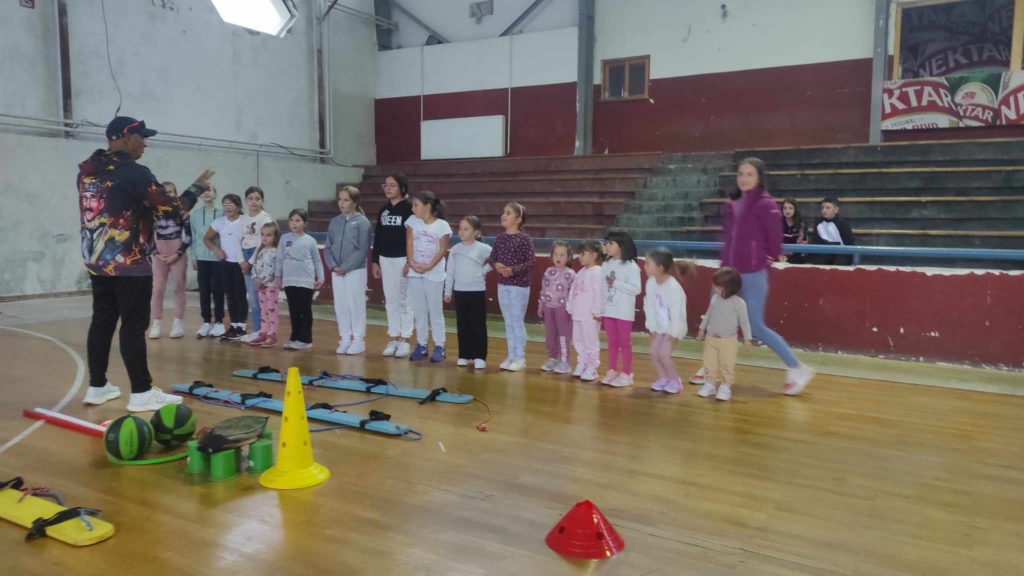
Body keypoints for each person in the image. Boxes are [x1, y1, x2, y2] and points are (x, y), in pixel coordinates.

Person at [79, 115, 210, 412]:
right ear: (126, 137)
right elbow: (171, 209)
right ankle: (141, 391)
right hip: (129, 262)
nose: (145, 144)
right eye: (142, 137)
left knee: (102, 321)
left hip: (98, 261)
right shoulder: (134, 172)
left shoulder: (88, 172)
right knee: (133, 326)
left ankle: (97, 386)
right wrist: (196, 189)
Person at [691, 158, 815, 395]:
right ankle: (711, 369)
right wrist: (723, 269)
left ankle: (797, 367)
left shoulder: (766, 205)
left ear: (759, 177)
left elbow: (775, 241)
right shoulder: (732, 203)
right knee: (716, 319)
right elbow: (729, 239)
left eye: (749, 174)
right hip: (727, 274)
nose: (744, 178)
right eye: (741, 173)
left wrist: (761, 260)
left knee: (755, 326)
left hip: (752, 274)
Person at [486, 202, 535, 372]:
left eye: (508, 213)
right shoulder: (500, 238)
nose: (503, 215)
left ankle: (520, 357)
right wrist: (497, 265)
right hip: (503, 285)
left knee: (516, 321)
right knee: (508, 322)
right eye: (503, 212)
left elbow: (530, 262)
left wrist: (512, 270)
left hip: (519, 286)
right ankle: (511, 355)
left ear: (518, 219)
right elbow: (492, 258)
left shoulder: (524, 239)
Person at [324, 186, 372, 355]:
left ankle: (358, 339)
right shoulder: (334, 222)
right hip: (336, 270)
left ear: (355, 202)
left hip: (355, 270)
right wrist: (333, 266)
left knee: (355, 304)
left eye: (346, 200)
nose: (342, 203)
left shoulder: (362, 222)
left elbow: (362, 249)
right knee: (341, 305)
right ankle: (345, 337)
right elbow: (328, 247)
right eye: (340, 199)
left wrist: (346, 267)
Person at [404, 191, 452, 362]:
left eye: (416, 205)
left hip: (434, 273)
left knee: (435, 310)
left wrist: (429, 266)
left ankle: (440, 345)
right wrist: (411, 262)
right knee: (419, 310)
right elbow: (409, 242)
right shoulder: (412, 221)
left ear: (428, 206)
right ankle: (422, 344)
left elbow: (442, 249)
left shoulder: (442, 226)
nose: (413, 208)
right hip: (415, 272)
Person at [371, 173, 415, 357]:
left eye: (392, 185)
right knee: (391, 299)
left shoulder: (410, 209)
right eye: (386, 185)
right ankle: (394, 336)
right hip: (385, 259)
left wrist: (410, 260)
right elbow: (378, 237)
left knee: (405, 300)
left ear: (402, 188)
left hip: (403, 260)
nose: (388, 188)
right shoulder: (383, 210)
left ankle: (405, 338)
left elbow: (412, 237)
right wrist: (375, 260)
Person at [147, 182, 198, 339]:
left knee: (178, 286)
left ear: (176, 194)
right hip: (160, 253)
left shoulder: (182, 212)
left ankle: (178, 322)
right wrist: (156, 253)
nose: (168, 194)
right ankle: (156, 323)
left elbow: (188, 236)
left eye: (171, 192)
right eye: (165, 192)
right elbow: (147, 235)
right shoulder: (154, 212)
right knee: (157, 288)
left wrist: (177, 253)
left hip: (177, 251)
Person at [696, 267, 753, 401]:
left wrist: (747, 338)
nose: (716, 290)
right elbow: (708, 314)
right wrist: (702, 328)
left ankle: (725, 386)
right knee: (709, 363)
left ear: (731, 288)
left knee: (727, 364)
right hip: (711, 338)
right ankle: (710, 384)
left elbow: (744, 322)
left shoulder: (739, 304)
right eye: (716, 287)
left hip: (728, 341)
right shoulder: (715, 299)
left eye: (719, 288)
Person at [444, 216, 492, 370]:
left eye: (466, 229)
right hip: (460, 292)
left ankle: (480, 356)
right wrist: (448, 290)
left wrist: (483, 271)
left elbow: (496, 258)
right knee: (462, 325)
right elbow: (450, 272)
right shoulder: (455, 250)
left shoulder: (483, 248)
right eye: (460, 229)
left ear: (476, 232)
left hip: (477, 291)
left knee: (478, 325)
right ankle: (464, 354)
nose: (462, 232)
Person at [643, 248, 692, 394]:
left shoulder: (673, 287)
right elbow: (649, 306)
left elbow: (678, 313)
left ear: (660, 267)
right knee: (654, 352)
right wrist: (651, 327)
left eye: (648, 263)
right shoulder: (651, 283)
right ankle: (664, 378)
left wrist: (674, 332)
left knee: (664, 354)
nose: (645, 266)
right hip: (659, 327)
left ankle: (675, 381)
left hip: (672, 328)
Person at [275, 209, 324, 350]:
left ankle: (306, 339)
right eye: (291, 220)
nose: (294, 223)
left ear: (305, 223)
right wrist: (278, 275)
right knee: (293, 309)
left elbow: (317, 261)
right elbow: (279, 258)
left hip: (305, 280)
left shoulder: (310, 241)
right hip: (289, 280)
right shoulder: (284, 239)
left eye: (297, 220)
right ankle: (294, 336)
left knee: (305, 309)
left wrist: (320, 277)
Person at [600, 229, 642, 388]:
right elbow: (602, 287)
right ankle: (611, 370)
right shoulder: (606, 264)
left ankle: (626, 374)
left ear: (622, 246)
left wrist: (616, 283)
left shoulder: (631, 266)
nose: (607, 246)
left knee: (625, 343)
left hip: (624, 312)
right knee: (612, 342)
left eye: (611, 243)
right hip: (608, 310)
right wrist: (600, 308)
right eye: (607, 243)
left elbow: (636, 289)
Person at [204, 194, 248, 340]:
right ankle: (233, 325)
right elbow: (206, 239)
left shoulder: (245, 220)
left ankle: (242, 326)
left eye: (231, 204)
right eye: (224, 204)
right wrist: (217, 250)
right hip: (226, 263)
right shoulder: (219, 222)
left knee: (240, 294)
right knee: (230, 295)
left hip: (241, 263)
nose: (227, 207)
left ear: (238, 207)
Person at [190, 183, 226, 337]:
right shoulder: (195, 215)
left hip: (218, 258)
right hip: (201, 258)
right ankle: (206, 322)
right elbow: (193, 237)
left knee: (218, 290)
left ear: (215, 193)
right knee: (204, 291)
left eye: (209, 190)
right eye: (203, 190)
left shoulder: (223, 213)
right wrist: (193, 256)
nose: (206, 193)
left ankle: (219, 322)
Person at [238, 186, 274, 343]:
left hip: (258, 256)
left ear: (262, 201)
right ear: (246, 200)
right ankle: (257, 330)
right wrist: (241, 260)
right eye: (251, 199)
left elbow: (261, 242)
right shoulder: (243, 219)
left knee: (259, 297)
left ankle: (263, 330)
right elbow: (238, 240)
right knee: (251, 298)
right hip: (244, 255)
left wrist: (251, 261)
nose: (254, 202)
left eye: (257, 199)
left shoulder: (265, 218)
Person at [567, 240, 604, 382]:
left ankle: (592, 367)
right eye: (579, 254)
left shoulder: (598, 272)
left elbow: (599, 293)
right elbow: (573, 291)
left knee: (590, 342)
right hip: (578, 313)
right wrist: (570, 306)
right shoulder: (581, 272)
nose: (580, 257)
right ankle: (582, 362)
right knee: (578, 340)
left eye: (583, 254)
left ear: (594, 255)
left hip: (590, 316)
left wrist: (597, 311)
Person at [538, 241, 575, 374]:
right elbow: (543, 289)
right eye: (556, 254)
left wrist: (570, 309)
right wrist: (541, 304)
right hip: (548, 308)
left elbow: (573, 293)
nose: (558, 257)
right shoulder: (548, 271)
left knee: (563, 335)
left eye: (562, 255)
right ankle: (552, 358)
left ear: (568, 257)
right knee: (551, 334)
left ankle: (564, 361)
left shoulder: (571, 273)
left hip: (563, 309)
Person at [247, 222, 281, 347]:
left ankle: (272, 334)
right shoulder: (260, 250)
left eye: (268, 235)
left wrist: (262, 281)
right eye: (262, 234)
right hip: (260, 286)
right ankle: (264, 331)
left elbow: (274, 270)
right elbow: (255, 266)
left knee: (271, 309)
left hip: (271, 285)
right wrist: (255, 278)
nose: (265, 238)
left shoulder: (276, 252)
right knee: (263, 309)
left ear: (275, 237)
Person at [814, 196, 855, 266]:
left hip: (841, 252)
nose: (824, 210)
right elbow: (816, 241)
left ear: (836, 210)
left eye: (828, 208)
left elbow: (849, 242)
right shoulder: (818, 223)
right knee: (818, 261)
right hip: (825, 252)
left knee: (840, 262)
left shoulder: (843, 224)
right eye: (822, 208)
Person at [781, 197, 808, 264]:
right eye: (785, 208)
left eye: (790, 208)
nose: (787, 211)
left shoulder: (801, 223)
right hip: (781, 255)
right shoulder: (777, 222)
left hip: (796, 255)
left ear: (795, 209)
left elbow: (803, 243)